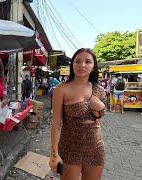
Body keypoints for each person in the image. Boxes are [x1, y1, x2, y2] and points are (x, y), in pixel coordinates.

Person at [49, 48, 106, 180]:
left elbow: (99, 118)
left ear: (93, 66)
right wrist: (54, 153)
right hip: (69, 148)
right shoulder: (62, 89)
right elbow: (56, 124)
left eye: (88, 61)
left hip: (95, 148)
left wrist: (99, 107)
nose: (82, 65)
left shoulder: (99, 89)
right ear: (72, 64)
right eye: (78, 61)